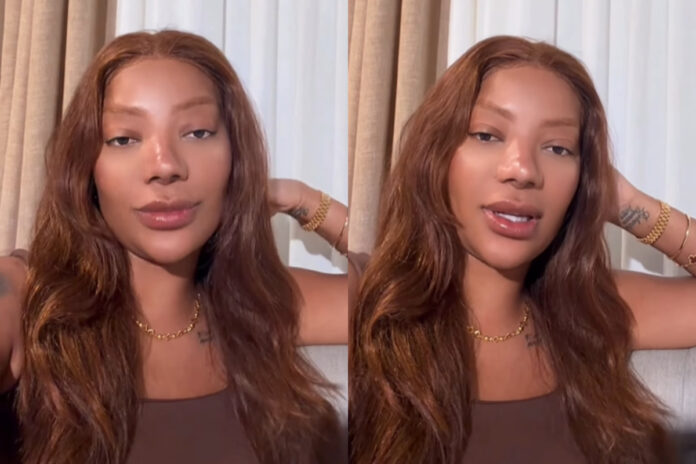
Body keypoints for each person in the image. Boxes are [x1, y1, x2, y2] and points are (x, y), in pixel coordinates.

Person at [0, 30, 348, 464]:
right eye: (124, 139)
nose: (165, 166)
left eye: (198, 132)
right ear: (87, 168)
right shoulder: (27, 295)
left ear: (235, 157)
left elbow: (415, 296)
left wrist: (298, 197)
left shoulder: (261, 304)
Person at [349, 35, 696, 464]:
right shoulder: (368, 304)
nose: (523, 170)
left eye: (557, 148)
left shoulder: (593, 310)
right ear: (435, 155)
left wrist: (626, 204)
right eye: (487, 135)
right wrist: (307, 202)